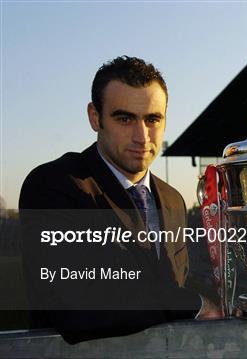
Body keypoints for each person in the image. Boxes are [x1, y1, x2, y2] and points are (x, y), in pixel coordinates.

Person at [19, 56, 219, 344]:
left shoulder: (173, 199)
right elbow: (79, 307)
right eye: (125, 118)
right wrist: (194, 304)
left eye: (153, 119)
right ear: (94, 117)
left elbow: (177, 282)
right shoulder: (54, 186)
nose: (142, 136)